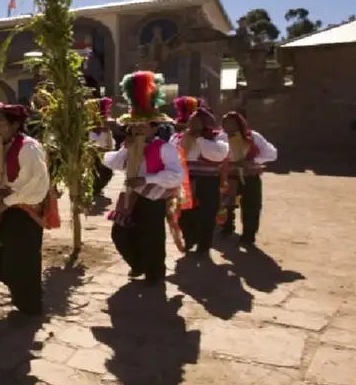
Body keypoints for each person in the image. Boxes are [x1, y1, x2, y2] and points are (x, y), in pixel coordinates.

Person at [0, 102, 59, 316]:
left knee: (23, 261)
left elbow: (37, 184)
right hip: (7, 209)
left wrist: (3, 203)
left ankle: (30, 306)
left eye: (1, 122)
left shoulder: (29, 147)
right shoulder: (0, 145)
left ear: (16, 125)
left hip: (25, 212)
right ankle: (25, 291)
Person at [103, 70, 185, 285]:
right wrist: (125, 149)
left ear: (153, 127)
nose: (137, 128)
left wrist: (147, 180)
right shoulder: (129, 146)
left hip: (152, 199)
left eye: (142, 125)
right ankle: (137, 264)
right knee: (119, 233)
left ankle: (154, 273)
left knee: (152, 238)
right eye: (134, 125)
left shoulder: (164, 148)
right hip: (130, 197)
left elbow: (176, 176)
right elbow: (111, 163)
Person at [171, 106, 229, 255]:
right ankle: (189, 239)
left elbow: (219, 155)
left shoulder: (217, 137)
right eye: (191, 121)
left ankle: (204, 246)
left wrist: (199, 139)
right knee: (184, 213)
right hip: (185, 181)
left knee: (207, 214)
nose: (193, 124)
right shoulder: (178, 137)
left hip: (208, 181)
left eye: (197, 121)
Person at [219, 111, 278, 246]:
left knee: (251, 207)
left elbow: (271, 153)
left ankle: (248, 236)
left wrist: (253, 161)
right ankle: (227, 228)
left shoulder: (253, 136)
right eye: (226, 122)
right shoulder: (220, 137)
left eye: (232, 122)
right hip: (230, 176)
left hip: (250, 176)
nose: (229, 125)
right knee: (226, 205)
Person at [89, 97, 115, 198]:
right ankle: (95, 189)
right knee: (92, 172)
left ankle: (98, 188)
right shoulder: (88, 130)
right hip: (91, 156)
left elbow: (110, 146)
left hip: (103, 155)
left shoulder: (107, 131)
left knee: (108, 173)